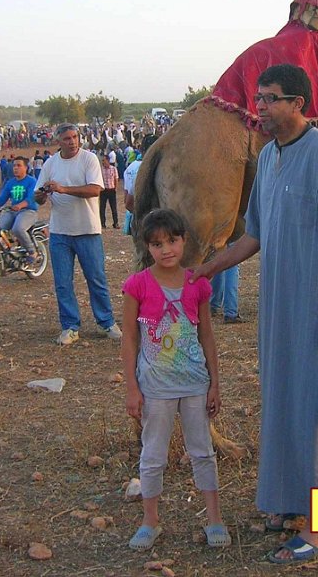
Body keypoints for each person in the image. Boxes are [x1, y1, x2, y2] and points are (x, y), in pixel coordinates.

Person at [194, 64, 318, 564]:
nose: (260, 107)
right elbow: (255, 235)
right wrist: (206, 269)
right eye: (258, 97)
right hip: (278, 307)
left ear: (298, 104)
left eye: (270, 99)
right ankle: (292, 503)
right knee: (286, 399)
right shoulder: (267, 158)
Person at [121, 209, 229, 551]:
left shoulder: (198, 285)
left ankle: (214, 518)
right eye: (157, 243)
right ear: (147, 247)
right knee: (153, 454)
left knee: (202, 451)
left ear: (183, 241)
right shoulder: (136, 285)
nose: (166, 249)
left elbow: (207, 336)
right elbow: (129, 339)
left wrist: (214, 382)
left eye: (172, 241)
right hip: (155, 387)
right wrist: (131, 388)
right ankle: (149, 521)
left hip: (194, 383)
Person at [35, 124, 120, 345]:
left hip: (87, 230)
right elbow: (37, 195)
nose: (72, 141)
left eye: (74, 137)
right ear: (58, 141)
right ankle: (70, 326)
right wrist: (43, 194)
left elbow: (95, 189)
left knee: (96, 278)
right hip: (60, 232)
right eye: (66, 138)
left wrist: (63, 189)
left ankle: (106, 322)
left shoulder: (89, 159)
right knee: (63, 282)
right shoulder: (50, 164)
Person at [0, 157, 41, 265]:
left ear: (26, 167)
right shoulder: (10, 182)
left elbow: (31, 198)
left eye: (19, 165)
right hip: (13, 211)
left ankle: (32, 252)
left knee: (18, 228)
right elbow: (2, 198)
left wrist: (20, 205)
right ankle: (7, 251)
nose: (15, 168)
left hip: (28, 211)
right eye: (14, 165)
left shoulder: (32, 181)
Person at [98, 154, 119, 229]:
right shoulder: (100, 170)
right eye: (102, 161)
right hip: (103, 190)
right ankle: (103, 223)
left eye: (104, 160)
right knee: (102, 208)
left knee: (114, 207)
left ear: (108, 160)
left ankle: (115, 223)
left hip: (111, 190)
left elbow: (116, 178)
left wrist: (115, 188)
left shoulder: (113, 169)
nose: (103, 162)